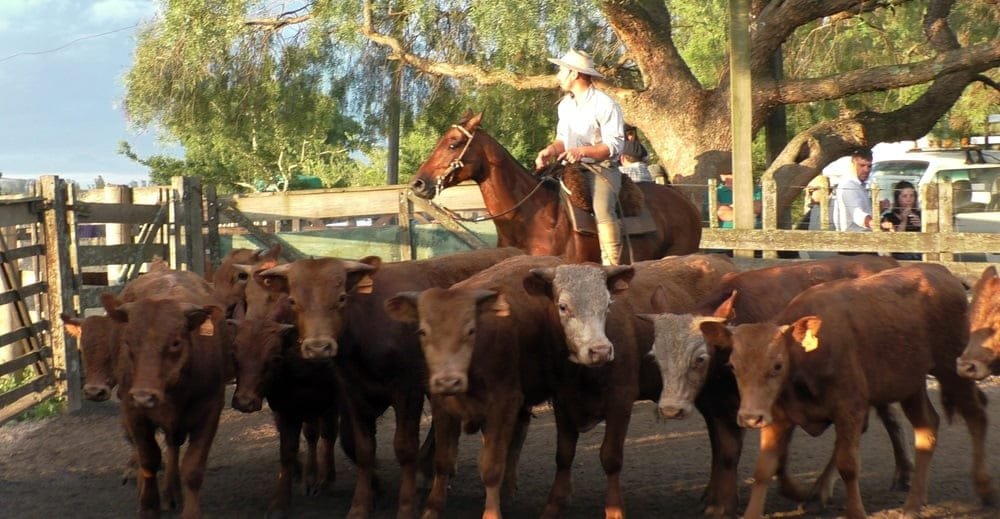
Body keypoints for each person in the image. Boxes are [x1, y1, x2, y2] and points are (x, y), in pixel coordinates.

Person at [535, 49, 626, 265]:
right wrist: (550, 150)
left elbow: (614, 145)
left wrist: (582, 152)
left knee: (602, 208)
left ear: (574, 74)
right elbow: (562, 140)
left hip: (601, 168)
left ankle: (612, 265)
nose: (558, 76)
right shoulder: (565, 105)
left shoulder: (605, 104)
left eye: (561, 71)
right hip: (570, 167)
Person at [833, 148, 877, 233]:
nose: (866, 170)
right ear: (853, 164)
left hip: (862, 235)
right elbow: (858, 215)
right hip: (852, 237)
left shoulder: (861, 185)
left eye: (869, 166)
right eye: (862, 165)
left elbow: (865, 213)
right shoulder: (848, 185)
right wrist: (877, 225)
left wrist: (879, 207)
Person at [879, 180, 922, 260]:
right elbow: (896, 242)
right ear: (897, 198)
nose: (909, 199)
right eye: (904, 196)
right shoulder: (889, 217)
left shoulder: (921, 215)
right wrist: (904, 220)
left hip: (919, 254)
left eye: (912, 196)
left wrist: (921, 226)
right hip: (899, 257)